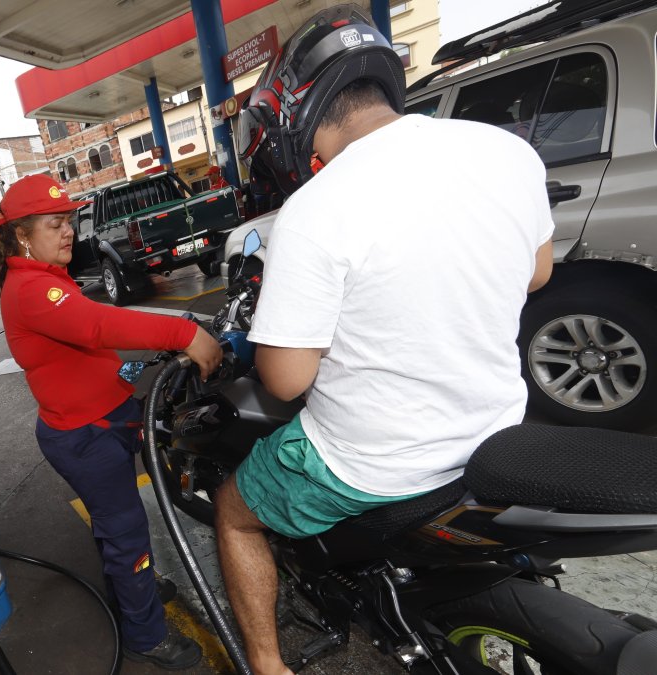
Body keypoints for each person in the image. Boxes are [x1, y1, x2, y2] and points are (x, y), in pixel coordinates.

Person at [221, 7, 554, 674]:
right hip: (495, 432)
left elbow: (286, 379)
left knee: (234, 509)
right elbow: (537, 271)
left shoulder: (315, 208)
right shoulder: (506, 149)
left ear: (296, 111)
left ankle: (267, 663)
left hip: (372, 465)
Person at [0, 173, 223, 670]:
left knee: (119, 529)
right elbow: (97, 326)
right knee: (126, 532)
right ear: (22, 234)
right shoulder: (31, 289)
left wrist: (134, 370)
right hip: (85, 437)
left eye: (69, 221)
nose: (68, 231)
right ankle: (146, 633)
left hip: (105, 419)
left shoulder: (50, 280)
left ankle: (135, 585)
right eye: (54, 224)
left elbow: (90, 353)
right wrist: (184, 332)